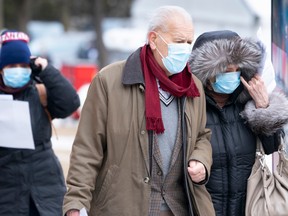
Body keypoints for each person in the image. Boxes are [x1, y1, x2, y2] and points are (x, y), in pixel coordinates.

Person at [63, 5, 215, 216]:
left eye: (189, 42)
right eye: (179, 41)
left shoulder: (193, 86)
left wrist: (201, 159)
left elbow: (202, 136)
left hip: (179, 207)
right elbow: (87, 149)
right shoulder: (109, 81)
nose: (186, 49)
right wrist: (75, 204)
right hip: (123, 206)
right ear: (153, 39)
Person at [189, 30, 288, 216]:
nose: (233, 76)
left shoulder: (247, 107)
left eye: (237, 70)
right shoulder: (191, 109)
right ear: (207, 74)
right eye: (227, 71)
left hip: (249, 208)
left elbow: (274, 152)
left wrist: (263, 109)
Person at [0, 30, 80, 216]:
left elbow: (70, 103)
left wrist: (46, 70)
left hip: (45, 190)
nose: (18, 69)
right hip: (6, 192)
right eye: (12, 65)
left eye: (23, 65)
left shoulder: (39, 91)